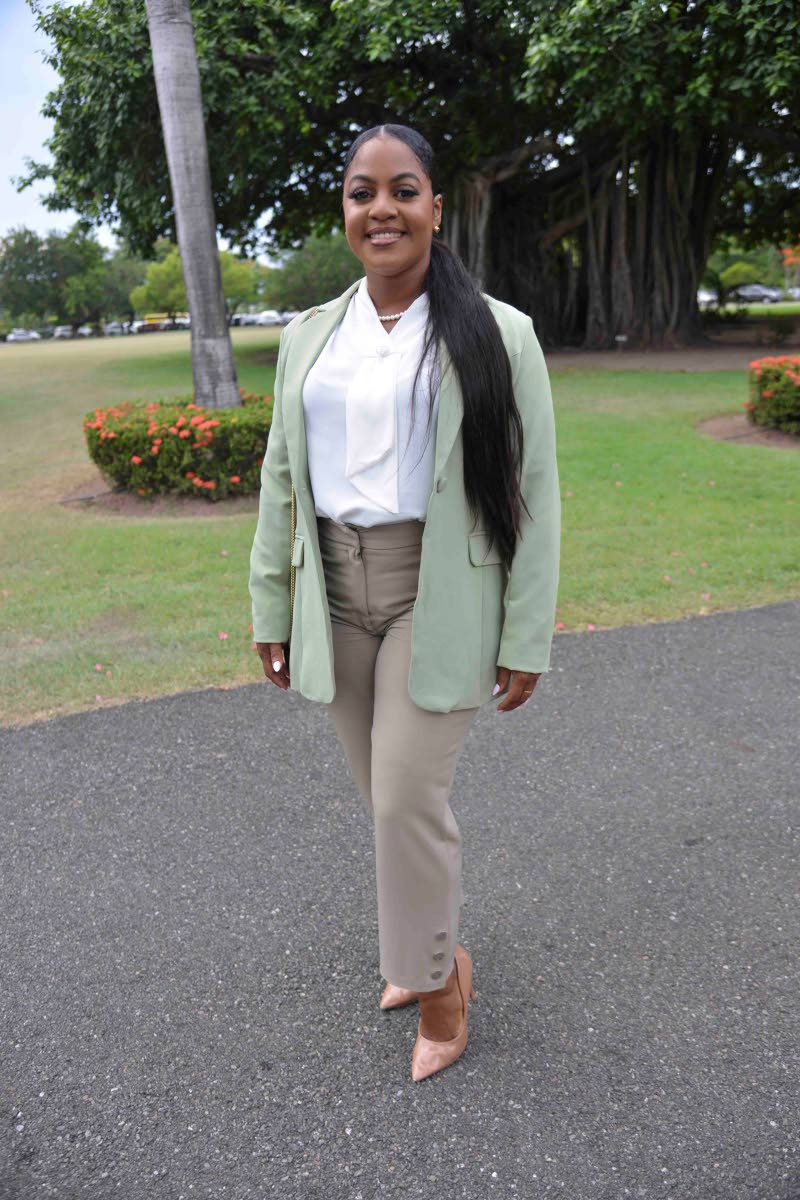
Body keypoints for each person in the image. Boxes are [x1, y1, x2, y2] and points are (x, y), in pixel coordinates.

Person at [248, 123, 561, 1082]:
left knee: (403, 802)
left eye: (403, 189)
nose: (380, 207)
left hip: (443, 591)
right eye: (360, 191)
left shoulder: (497, 332)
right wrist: (270, 604)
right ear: (343, 208)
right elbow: (280, 479)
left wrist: (527, 633)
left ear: (434, 208)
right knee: (385, 801)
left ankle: (438, 989)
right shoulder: (310, 336)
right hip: (334, 593)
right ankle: (436, 946)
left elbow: (533, 488)